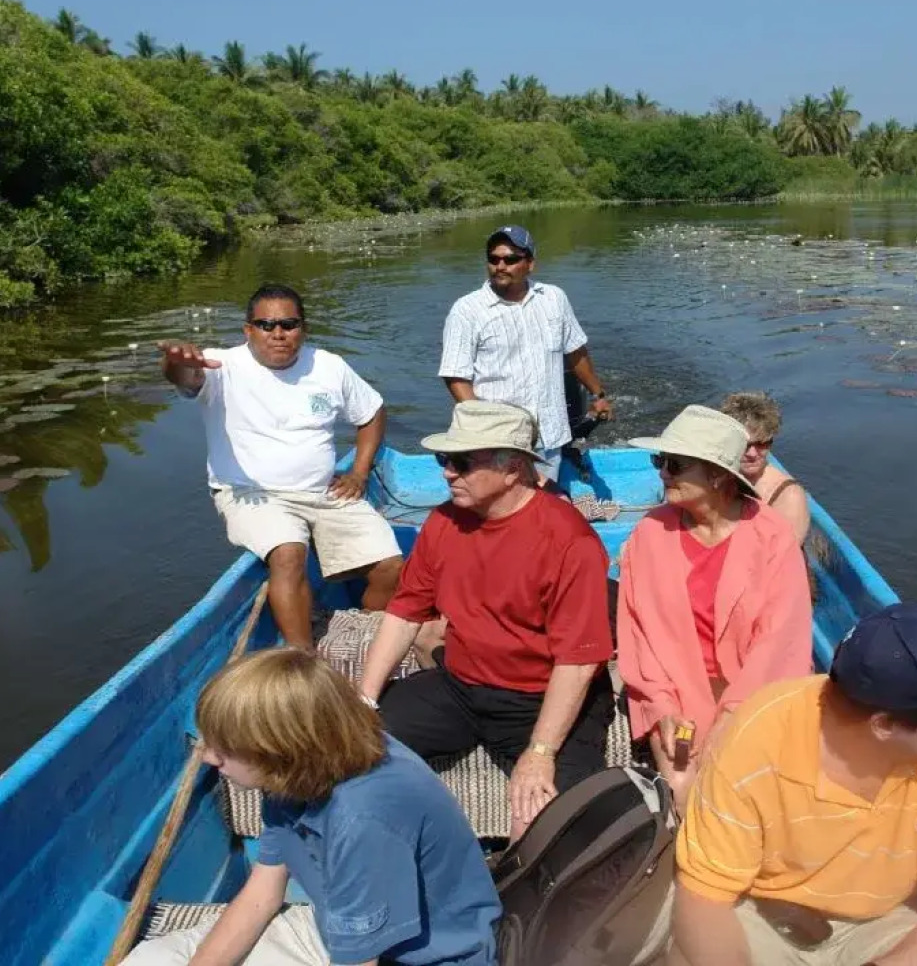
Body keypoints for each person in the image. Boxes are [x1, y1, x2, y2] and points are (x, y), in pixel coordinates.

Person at [671, 603, 917, 966]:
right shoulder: (760, 735)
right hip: (760, 915)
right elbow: (707, 898)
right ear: (884, 725)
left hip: (885, 923)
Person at [121, 648, 501, 966]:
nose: (207, 758)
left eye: (223, 749)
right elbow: (262, 895)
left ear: (277, 751)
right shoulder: (297, 772)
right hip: (337, 929)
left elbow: (360, 961)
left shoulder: (363, 819)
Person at [356, 400, 615, 839]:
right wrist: (364, 699)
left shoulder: (569, 541)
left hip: (537, 698)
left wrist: (540, 751)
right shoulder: (443, 522)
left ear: (513, 467)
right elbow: (405, 612)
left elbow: (578, 660)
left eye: (461, 462)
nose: (446, 473)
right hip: (461, 687)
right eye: (444, 459)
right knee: (346, 749)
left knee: (544, 824)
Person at [161, 285, 402, 649]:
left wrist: (359, 472)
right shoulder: (219, 365)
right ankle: (303, 662)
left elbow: (371, 413)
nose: (278, 334)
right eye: (266, 325)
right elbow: (187, 379)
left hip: (323, 491)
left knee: (392, 567)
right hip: (250, 493)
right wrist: (176, 364)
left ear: (303, 328)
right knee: (289, 553)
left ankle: (362, 638)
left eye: (288, 324)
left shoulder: (328, 366)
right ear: (248, 330)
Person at [615, 405, 811, 807]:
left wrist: (733, 717)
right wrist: (662, 707)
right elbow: (640, 638)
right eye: (660, 461)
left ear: (719, 475)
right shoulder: (649, 535)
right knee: (686, 791)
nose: (663, 472)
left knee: (738, 790)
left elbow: (778, 646)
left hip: (758, 692)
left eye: (676, 464)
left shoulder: (772, 538)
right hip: (678, 690)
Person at [438, 225, 612, 483]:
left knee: (541, 509)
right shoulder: (467, 311)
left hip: (549, 434)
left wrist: (598, 395)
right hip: (498, 438)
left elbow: (576, 351)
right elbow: (455, 377)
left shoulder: (554, 299)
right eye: (493, 259)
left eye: (510, 259)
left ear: (530, 263)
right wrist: (483, 430)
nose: (501, 266)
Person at [720, 391, 810, 544]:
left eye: (762, 444)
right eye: (745, 444)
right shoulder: (712, 474)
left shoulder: (788, 497)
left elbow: (783, 560)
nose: (753, 454)